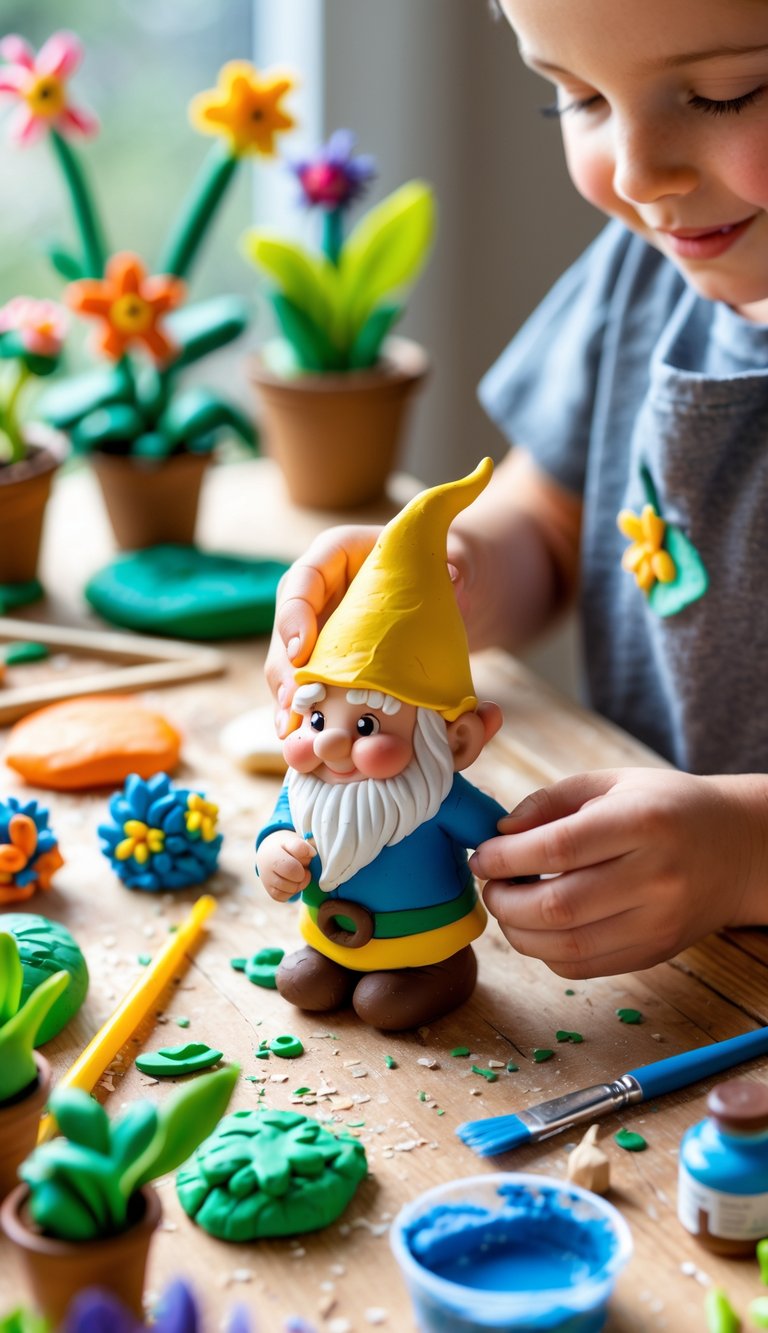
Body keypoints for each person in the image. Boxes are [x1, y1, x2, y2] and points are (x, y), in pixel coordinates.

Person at [265, 0, 768, 983]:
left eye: (724, 92)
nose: (634, 175)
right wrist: (440, 580)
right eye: (576, 98)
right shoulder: (651, 271)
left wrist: (746, 852)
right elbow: (549, 517)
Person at [256, 461, 505, 1030]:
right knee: (301, 981)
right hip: (331, 932)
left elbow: (502, 844)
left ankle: (443, 971)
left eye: (367, 726)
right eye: (316, 718)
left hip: (427, 940)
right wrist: (274, 854)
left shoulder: (440, 798)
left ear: (455, 741)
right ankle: (339, 962)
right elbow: (279, 825)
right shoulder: (309, 787)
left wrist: (526, 871)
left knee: (382, 1004)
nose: (333, 742)